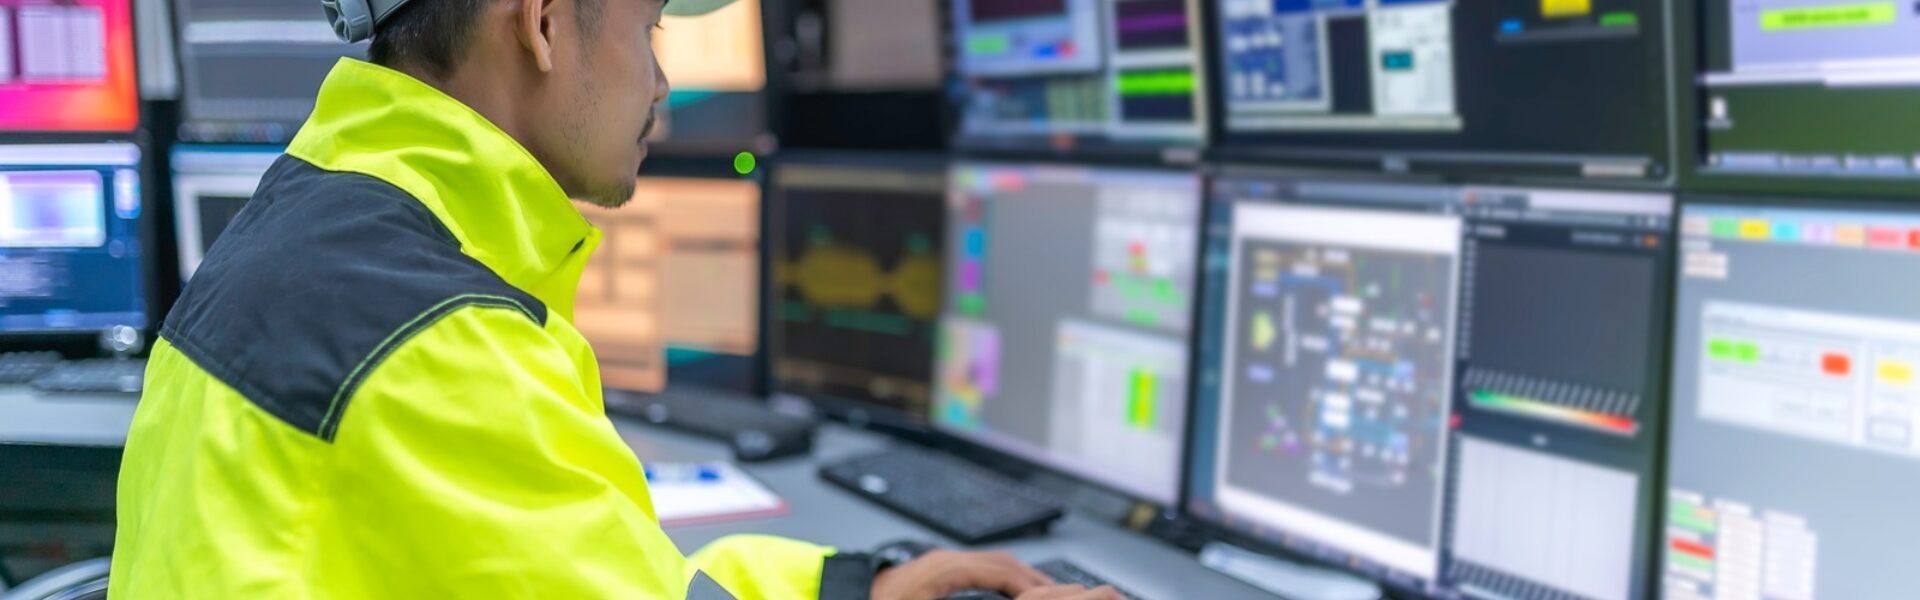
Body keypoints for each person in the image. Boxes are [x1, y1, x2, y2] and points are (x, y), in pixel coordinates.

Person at [107, 0, 1125, 598]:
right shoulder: (427, 344)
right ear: (545, 26)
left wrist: (851, 586)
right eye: (645, 28)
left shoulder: (328, 234)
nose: (660, 83)